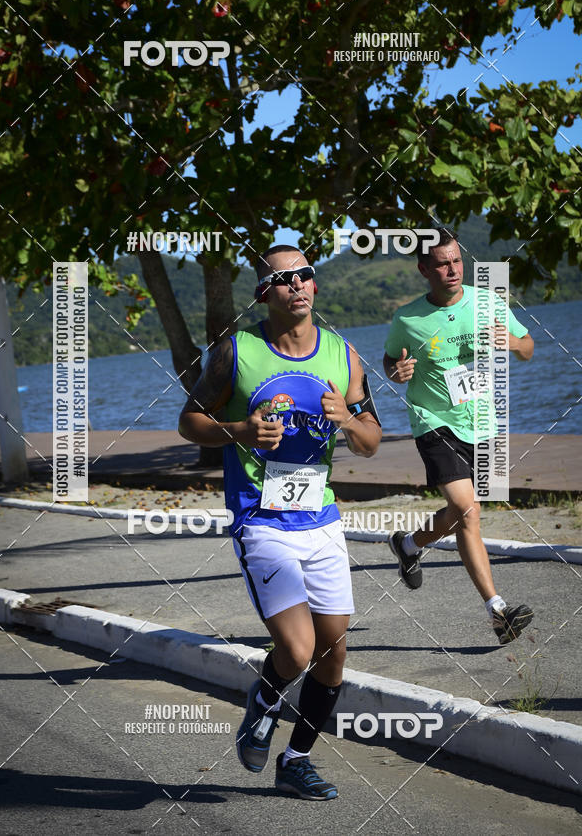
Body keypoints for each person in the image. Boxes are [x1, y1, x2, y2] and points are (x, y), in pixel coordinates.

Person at [179, 244, 381, 800]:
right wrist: (240, 430)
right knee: (295, 650)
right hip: (261, 519)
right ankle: (264, 701)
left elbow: (370, 441)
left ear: (315, 286)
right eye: (283, 278)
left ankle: (296, 760)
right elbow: (189, 421)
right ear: (264, 292)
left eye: (305, 275)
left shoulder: (344, 356)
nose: (297, 284)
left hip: (320, 519)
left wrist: (347, 420)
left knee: (334, 649)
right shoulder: (235, 353)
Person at [382, 229, 535, 645]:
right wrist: (398, 372)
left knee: (464, 511)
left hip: (482, 421)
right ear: (424, 270)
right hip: (433, 421)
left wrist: (513, 342)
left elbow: (528, 347)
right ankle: (498, 612)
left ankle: (409, 544)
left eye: (457, 261)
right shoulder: (408, 318)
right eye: (442, 264)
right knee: (468, 512)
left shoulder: (487, 301)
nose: (452, 270)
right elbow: (390, 361)